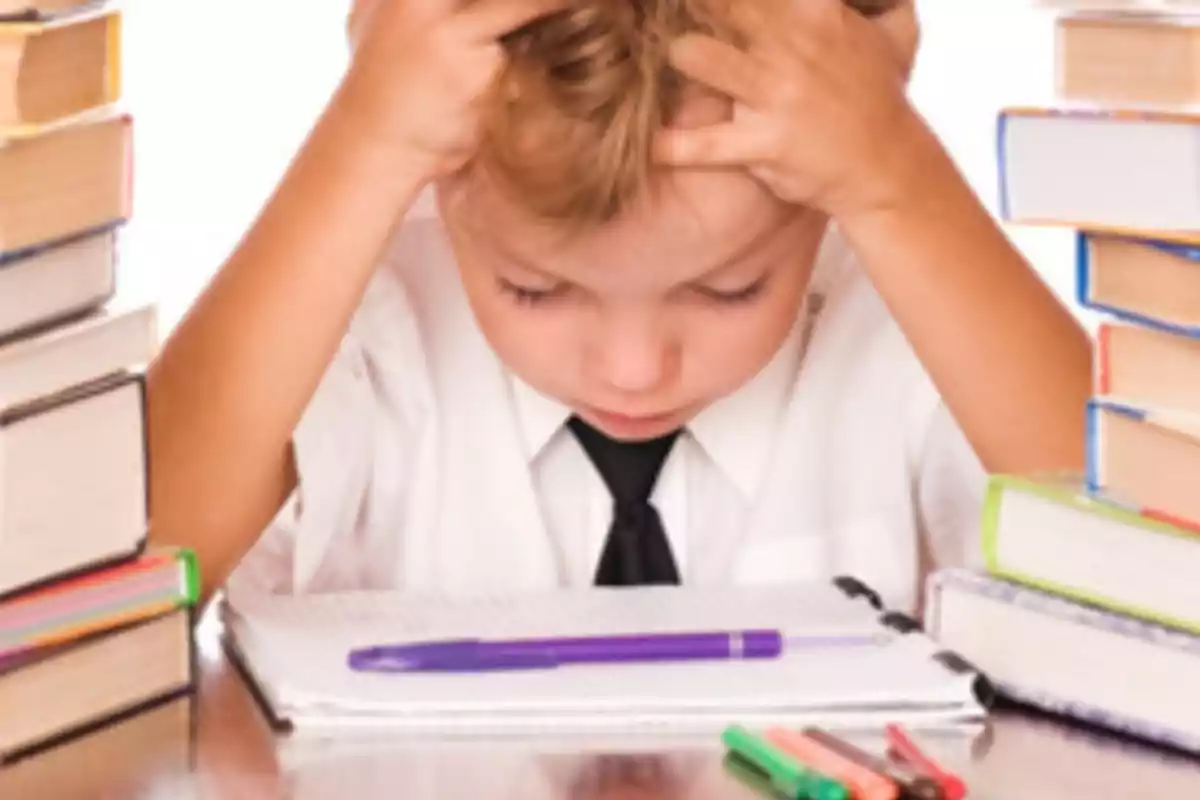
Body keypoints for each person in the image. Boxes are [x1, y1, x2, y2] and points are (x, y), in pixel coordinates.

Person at [146, 0, 1090, 612]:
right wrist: (360, 139)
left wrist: (899, 181)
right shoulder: (364, 305)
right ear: (441, 193)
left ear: (824, 207)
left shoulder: (900, 306)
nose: (633, 371)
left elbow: (1144, 563)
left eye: (729, 288)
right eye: (534, 288)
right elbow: (135, 574)